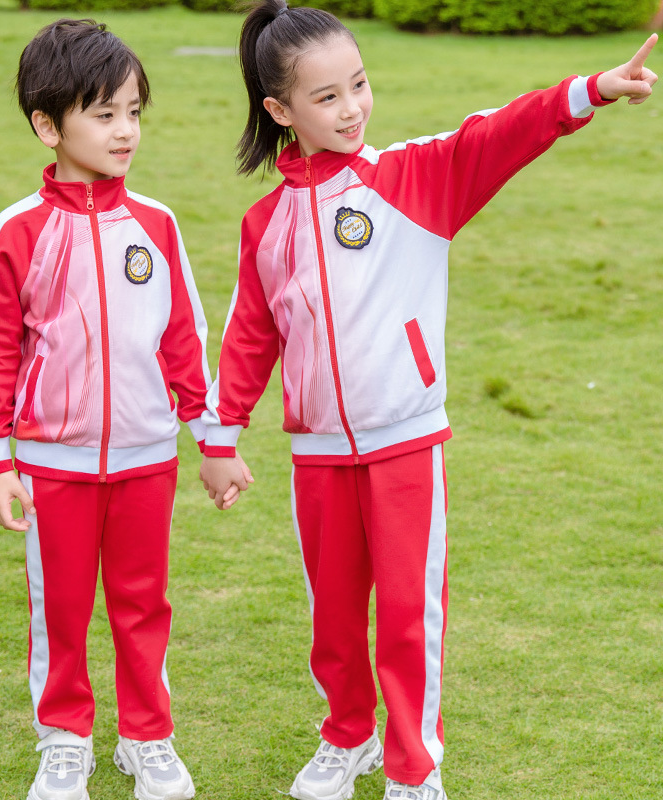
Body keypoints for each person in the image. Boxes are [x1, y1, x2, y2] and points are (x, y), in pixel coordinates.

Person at [199, 3, 657, 799]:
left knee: (409, 616)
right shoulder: (264, 224)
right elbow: (250, 334)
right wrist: (220, 436)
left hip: (407, 444)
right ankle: (348, 738)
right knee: (334, 621)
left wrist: (588, 90)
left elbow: (496, 134)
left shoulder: (412, 177)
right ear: (280, 112)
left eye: (360, 86)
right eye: (328, 98)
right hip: (318, 456)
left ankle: (415, 769)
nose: (353, 109)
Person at [0, 18, 218, 800]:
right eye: (103, 113)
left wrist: (210, 436)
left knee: (145, 605)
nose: (125, 131)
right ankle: (65, 741)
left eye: (134, 112)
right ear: (48, 125)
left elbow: (184, 338)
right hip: (53, 464)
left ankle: (149, 738)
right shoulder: (18, 230)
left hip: (149, 456)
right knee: (63, 612)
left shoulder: (157, 223)